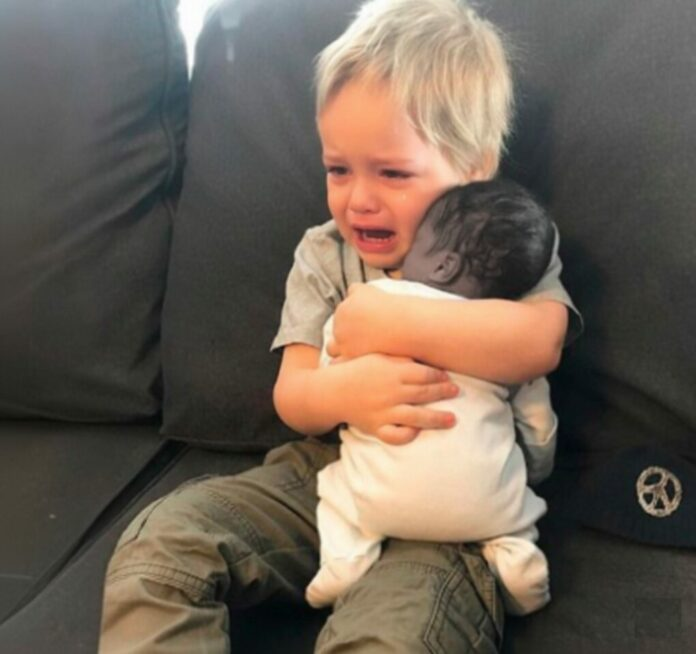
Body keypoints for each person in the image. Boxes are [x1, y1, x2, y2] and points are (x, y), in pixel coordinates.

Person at [99, 1, 581, 651]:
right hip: (332, 477)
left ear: (474, 167)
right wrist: (347, 392)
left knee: (390, 639)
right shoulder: (325, 253)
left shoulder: (508, 244)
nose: (358, 199)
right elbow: (294, 395)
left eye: (392, 172)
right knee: (160, 549)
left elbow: (539, 342)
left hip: (453, 520)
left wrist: (387, 318)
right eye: (338, 169)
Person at [306, 179, 558, 616]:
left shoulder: (372, 300)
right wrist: (536, 470)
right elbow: (537, 424)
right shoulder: (508, 332)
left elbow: (330, 363)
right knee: (512, 507)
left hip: (376, 499)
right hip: (485, 503)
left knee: (334, 489)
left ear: (443, 265)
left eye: (417, 246)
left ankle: (345, 557)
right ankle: (515, 551)